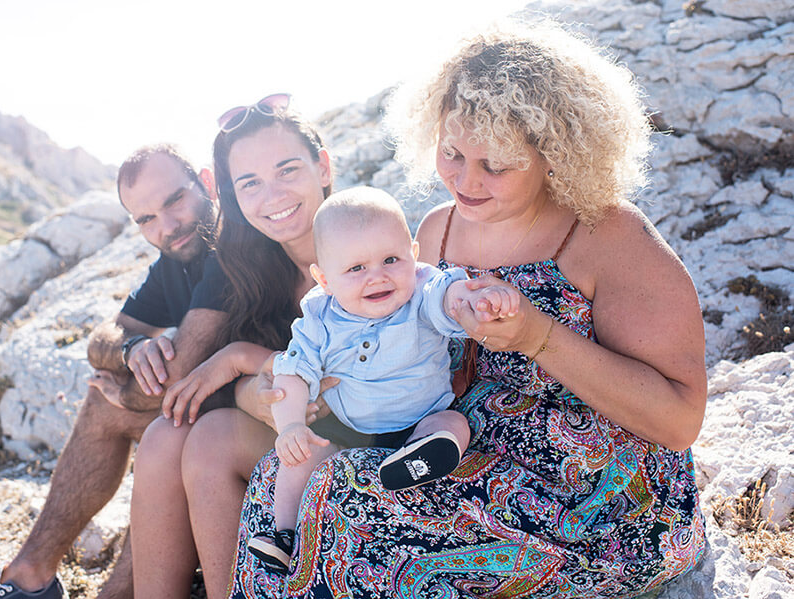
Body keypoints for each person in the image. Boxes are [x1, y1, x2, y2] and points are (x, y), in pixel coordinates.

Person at [221, 17, 708, 598]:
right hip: (459, 452)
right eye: (451, 153)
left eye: (495, 165)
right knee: (291, 478)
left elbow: (680, 420)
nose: (465, 181)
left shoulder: (609, 236)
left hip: (594, 500)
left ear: (555, 152)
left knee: (352, 516)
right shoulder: (435, 230)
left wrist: (539, 337)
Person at [0, 144, 231, 599]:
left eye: (174, 201)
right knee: (119, 409)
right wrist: (132, 348)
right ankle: (29, 574)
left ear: (207, 183)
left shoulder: (231, 247)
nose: (166, 227)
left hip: (266, 428)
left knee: (166, 432)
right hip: (204, 413)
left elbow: (172, 383)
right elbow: (104, 337)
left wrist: (127, 396)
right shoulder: (176, 259)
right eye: (146, 219)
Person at [244, 186, 524, 571]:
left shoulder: (422, 291)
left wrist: (474, 300)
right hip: (347, 430)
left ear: (413, 254)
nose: (377, 277)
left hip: (421, 416)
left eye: (391, 259)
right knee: (299, 458)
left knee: (453, 423)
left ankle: (423, 457)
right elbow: (293, 373)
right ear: (324, 279)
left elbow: (450, 296)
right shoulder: (319, 316)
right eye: (356, 269)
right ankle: (283, 533)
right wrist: (290, 425)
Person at [128, 95, 337, 598]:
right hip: (302, 438)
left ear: (323, 167)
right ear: (233, 196)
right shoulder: (252, 263)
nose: (272, 195)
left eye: (287, 170)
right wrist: (246, 386)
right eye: (249, 183)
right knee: (164, 436)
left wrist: (241, 360)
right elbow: (226, 386)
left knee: (214, 437)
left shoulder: (363, 240)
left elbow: (337, 387)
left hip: (370, 439)